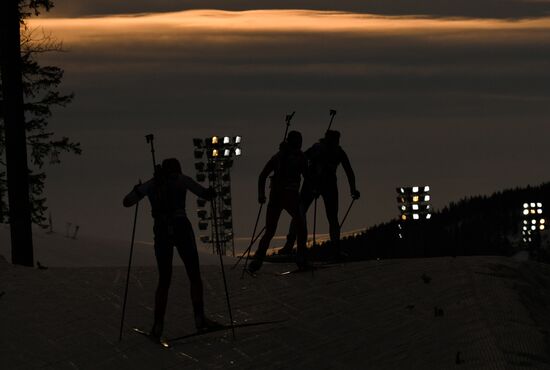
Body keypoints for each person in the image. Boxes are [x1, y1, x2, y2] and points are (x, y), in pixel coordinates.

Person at [123, 158, 220, 341]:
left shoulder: (151, 185)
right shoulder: (182, 180)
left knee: (164, 280)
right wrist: (211, 192)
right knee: (194, 275)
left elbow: (127, 202)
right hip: (181, 226)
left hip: (161, 231)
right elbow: (205, 194)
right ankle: (199, 319)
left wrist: (137, 189)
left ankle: (158, 326)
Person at [279, 130, 360, 258]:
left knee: (329, 216)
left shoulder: (337, 151)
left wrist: (353, 189)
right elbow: (302, 158)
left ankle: (335, 249)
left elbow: (349, 171)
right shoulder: (319, 149)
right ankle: (289, 245)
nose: (335, 144)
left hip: (326, 185)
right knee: (300, 213)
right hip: (313, 183)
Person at [248, 131, 309, 273]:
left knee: (270, 230)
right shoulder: (299, 157)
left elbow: (262, 176)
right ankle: (301, 259)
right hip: (290, 197)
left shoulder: (279, 156)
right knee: (301, 227)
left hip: (275, 197)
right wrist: (314, 188)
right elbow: (307, 176)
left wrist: (261, 195)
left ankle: (257, 260)